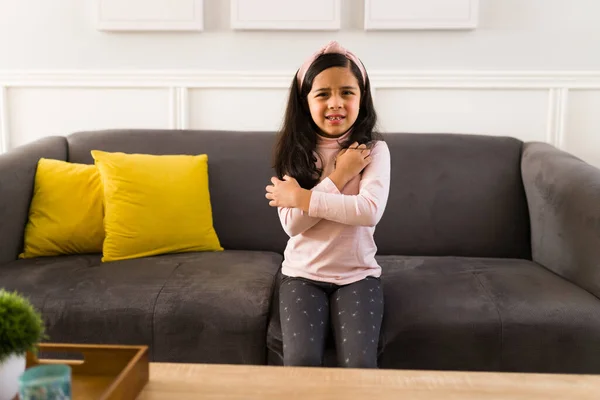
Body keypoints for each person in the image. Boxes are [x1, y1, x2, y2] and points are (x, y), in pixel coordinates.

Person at [265, 41, 391, 368]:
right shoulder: (297, 152)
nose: (335, 103)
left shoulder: (374, 151)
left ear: (362, 99)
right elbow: (293, 224)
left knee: (360, 365)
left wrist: (302, 198)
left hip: (358, 276)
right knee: (301, 362)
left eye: (347, 92)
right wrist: (340, 175)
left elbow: (367, 211)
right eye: (322, 94)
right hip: (302, 275)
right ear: (305, 101)